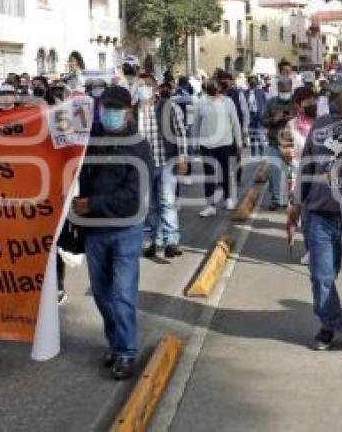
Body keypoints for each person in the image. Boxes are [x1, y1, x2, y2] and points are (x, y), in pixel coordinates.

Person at [72, 86, 153, 380]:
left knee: (121, 293)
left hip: (126, 229)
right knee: (102, 293)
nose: (109, 113)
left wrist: (91, 204)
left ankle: (127, 352)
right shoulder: (90, 139)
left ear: (128, 111)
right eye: (105, 107)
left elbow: (134, 196)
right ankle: (116, 343)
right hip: (95, 230)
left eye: (116, 108)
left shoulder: (139, 146)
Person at [287, 87, 342, 358]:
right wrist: (296, 204)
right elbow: (306, 166)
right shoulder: (320, 125)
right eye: (336, 94)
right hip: (320, 214)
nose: (340, 99)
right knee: (322, 276)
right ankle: (332, 325)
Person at [135, 74, 189, 259]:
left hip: (167, 161)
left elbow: (180, 133)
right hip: (144, 165)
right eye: (140, 85)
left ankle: (171, 241)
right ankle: (152, 240)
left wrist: (183, 158)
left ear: (155, 87)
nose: (143, 88)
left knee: (167, 201)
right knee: (150, 205)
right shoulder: (134, 110)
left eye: (147, 85)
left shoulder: (169, 106)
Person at [193, 77, 243, 217]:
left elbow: (235, 123)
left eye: (215, 85)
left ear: (220, 87)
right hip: (206, 145)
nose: (213, 87)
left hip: (225, 143)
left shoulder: (228, 102)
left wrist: (239, 143)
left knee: (226, 172)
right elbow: (196, 124)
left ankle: (228, 198)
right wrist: (195, 143)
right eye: (210, 85)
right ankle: (210, 206)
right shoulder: (201, 102)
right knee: (209, 175)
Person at [280, 86, 317, 264]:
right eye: (307, 101)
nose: (312, 104)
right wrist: (286, 151)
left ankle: (315, 250)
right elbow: (284, 146)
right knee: (301, 216)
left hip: (320, 176)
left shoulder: (323, 121)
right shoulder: (291, 125)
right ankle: (309, 249)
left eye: (314, 100)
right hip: (298, 175)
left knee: (315, 216)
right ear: (298, 104)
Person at [261, 78, 296, 211]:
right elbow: (263, 120)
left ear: (291, 88)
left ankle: (292, 199)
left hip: (292, 143)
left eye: (286, 90)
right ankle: (275, 199)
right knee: (275, 172)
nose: (284, 93)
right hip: (274, 141)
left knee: (292, 172)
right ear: (278, 89)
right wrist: (274, 119)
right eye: (282, 90)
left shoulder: (296, 103)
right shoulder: (271, 102)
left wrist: (292, 117)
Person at [246, 76, 268, 156]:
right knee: (252, 138)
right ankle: (253, 154)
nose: (253, 82)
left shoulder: (261, 92)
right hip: (250, 117)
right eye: (251, 81)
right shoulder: (245, 92)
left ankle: (261, 154)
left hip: (259, 117)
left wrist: (264, 114)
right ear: (248, 82)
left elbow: (265, 103)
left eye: (254, 81)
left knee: (260, 137)